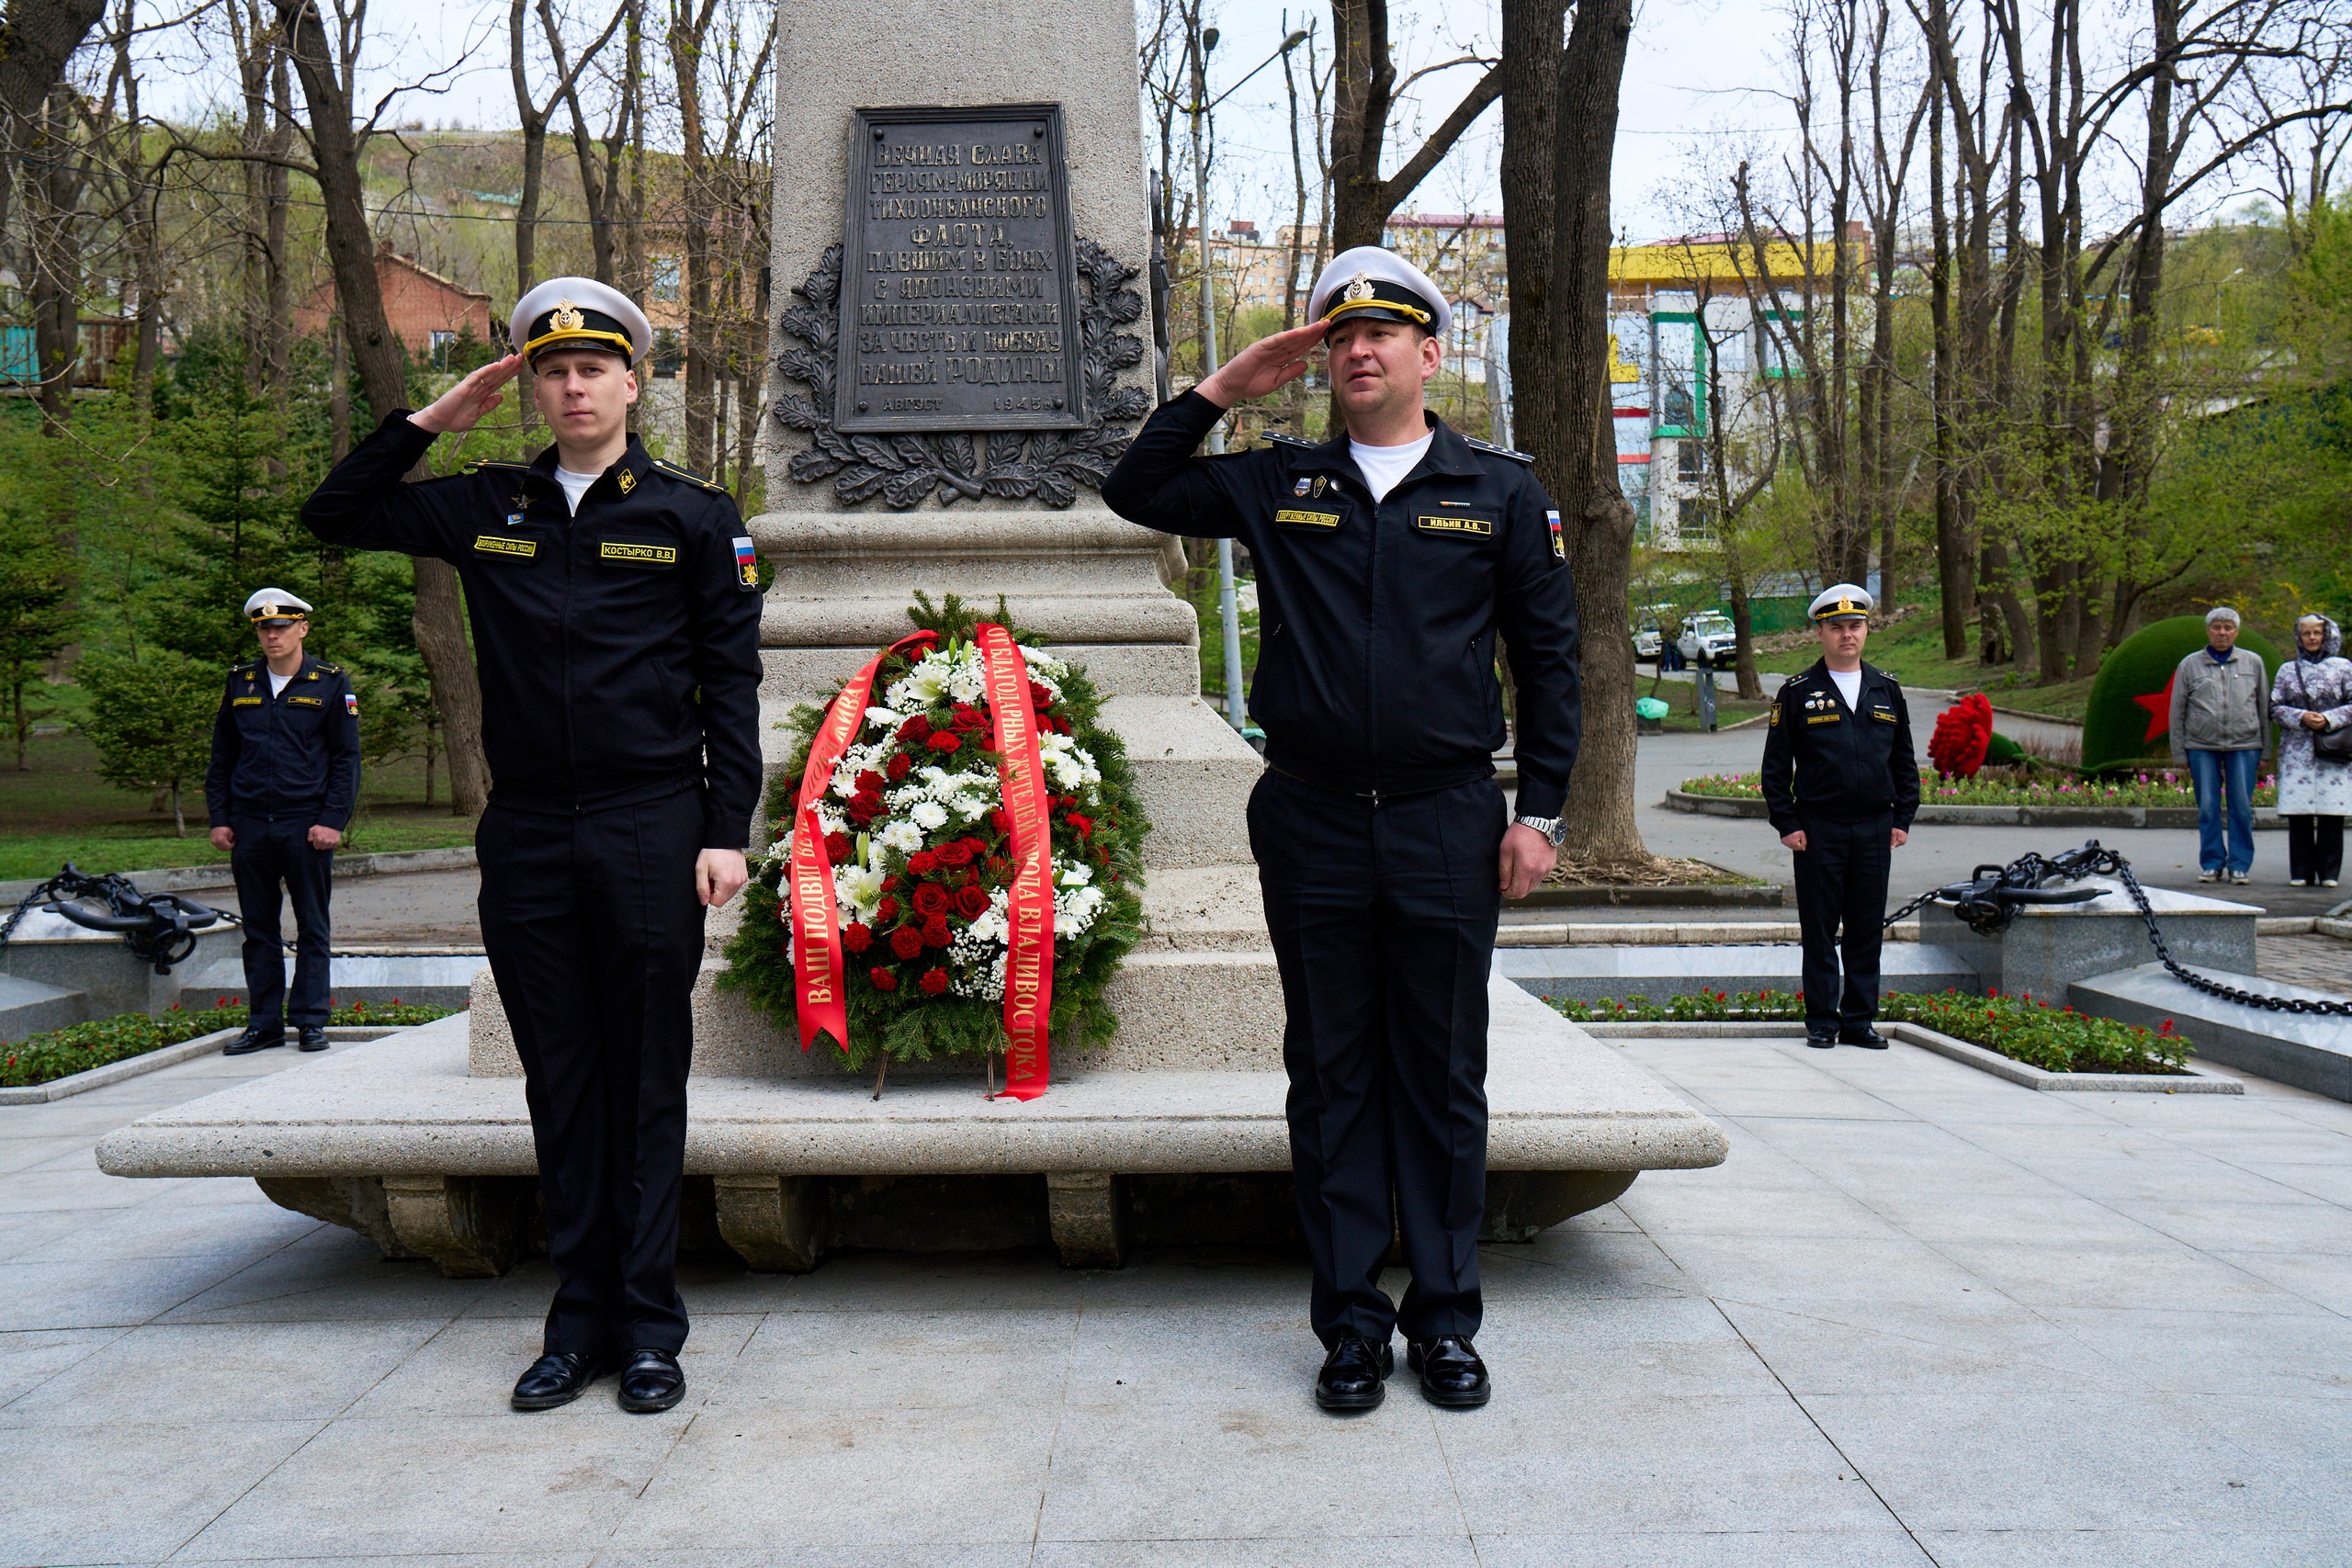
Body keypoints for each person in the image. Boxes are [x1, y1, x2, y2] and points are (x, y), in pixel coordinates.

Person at [1102, 245, 1581, 1415]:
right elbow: (1136, 491)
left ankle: (1447, 1320)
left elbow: (1553, 660)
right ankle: (1352, 1324)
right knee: (1330, 1078)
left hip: (1446, 819)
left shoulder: (1500, 491)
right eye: (1337, 335)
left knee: (1441, 1074)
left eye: (1385, 333)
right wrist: (1220, 388)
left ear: (1430, 353)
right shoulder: (1281, 481)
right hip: (1312, 817)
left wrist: (1543, 814)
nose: (1359, 350)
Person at [298, 277, 763, 1416]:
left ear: (630, 381)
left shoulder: (694, 517)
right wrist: (432, 419)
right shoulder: (483, 504)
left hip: (653, 826)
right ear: (529, 386)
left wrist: (725, 831)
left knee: (646, 1084)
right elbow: (335, 514)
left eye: (592, 368)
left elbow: (732, 685)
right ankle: (577, 1324)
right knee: (560, 1084)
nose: (571, 386)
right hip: (529, 834)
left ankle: (651, 1330)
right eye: (550, 371)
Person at [202, 589, 360, 1055]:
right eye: (264, 628)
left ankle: (311, 1021)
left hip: (305, 824)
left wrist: (332, 820)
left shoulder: (330, 682)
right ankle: (265, 1023)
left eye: (282, 627)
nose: (273, 635)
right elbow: (222, 758)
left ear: (302, 629)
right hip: (250, 825)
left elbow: (346, 758)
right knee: (259, 928)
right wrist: (219, 818)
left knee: (312, 925)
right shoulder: (240, 682)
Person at [1758, 585, 1917, 1048]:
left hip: (1874, 829)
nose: (1847, 635)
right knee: (1821, 930)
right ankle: (1823, 1023)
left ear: (1866, 630)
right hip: (1818, 830)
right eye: (1837, 627)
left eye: (1855, 626)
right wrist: (1787, 823)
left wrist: (1903, 817)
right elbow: (1775, 767)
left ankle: (1859, 1021)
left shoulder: (1887, 689)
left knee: (1867, 928)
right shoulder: (1797, 693)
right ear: (1821, 632)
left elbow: (1904, 762)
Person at [2169, 605, 2269, 885]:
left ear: (2236, 632)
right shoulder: (2190, 664)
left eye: (2228, 627)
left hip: (2245, 744)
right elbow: (2177, 710)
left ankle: (2239, 864)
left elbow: (2264, 708)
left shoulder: (2253, 663)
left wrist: (2266, 749)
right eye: (2216, 627)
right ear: (2208, 630)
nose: (2222, 632)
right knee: (2209, 807)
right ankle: (2212, 863)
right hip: (2201, 745)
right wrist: (2180, 752)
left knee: (2241, 805)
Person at [2269, 613, 2352, 888]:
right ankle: (2301, 871)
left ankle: (2329, 872)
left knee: (2332, 814)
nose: (2313, 638)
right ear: (2299, 636)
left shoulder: (2344, 668)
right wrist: (2301, 716)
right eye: (2307, 633)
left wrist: (2329, 718)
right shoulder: (2287, 670)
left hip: (2334, 749)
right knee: (2299, 815)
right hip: (2297, 752)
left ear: (2327, 635)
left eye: (2317, 632)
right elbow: (2275, 707)